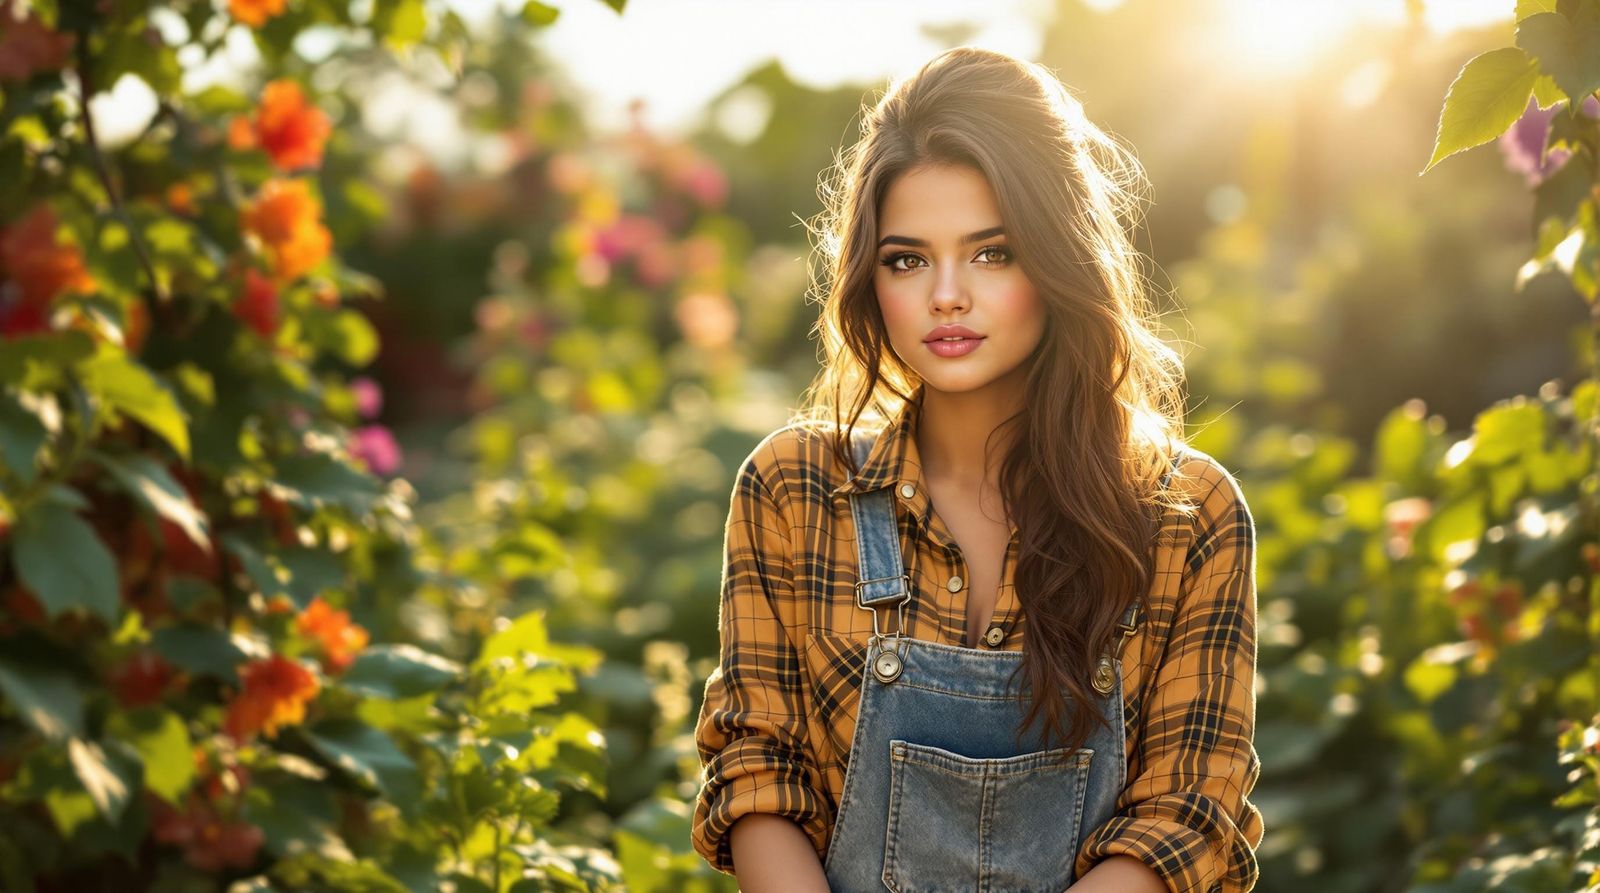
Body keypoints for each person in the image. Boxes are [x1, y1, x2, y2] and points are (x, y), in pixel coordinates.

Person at [691, 45, 1262, 893]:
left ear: (1057, 254)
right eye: (907, 259)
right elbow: (758, 775)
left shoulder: (1186, 514)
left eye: (991, 253)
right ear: (869, 278)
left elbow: (1186, 815)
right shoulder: (792, 489)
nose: (946, 295)